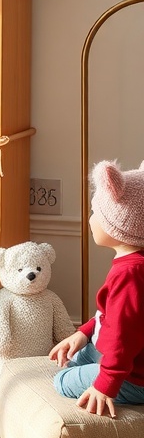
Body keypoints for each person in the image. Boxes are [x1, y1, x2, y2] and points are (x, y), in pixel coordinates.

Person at [49, 159, 144, 417]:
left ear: (120, 225)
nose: (91, 220)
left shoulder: (130, 273)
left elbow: (124, 337)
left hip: (134, 376)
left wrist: (105, 386)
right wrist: (83, 333)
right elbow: (110, 316)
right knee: (76, 359)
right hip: (119, 356)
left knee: (62, 381)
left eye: (95, 213)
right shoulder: (131, 264)